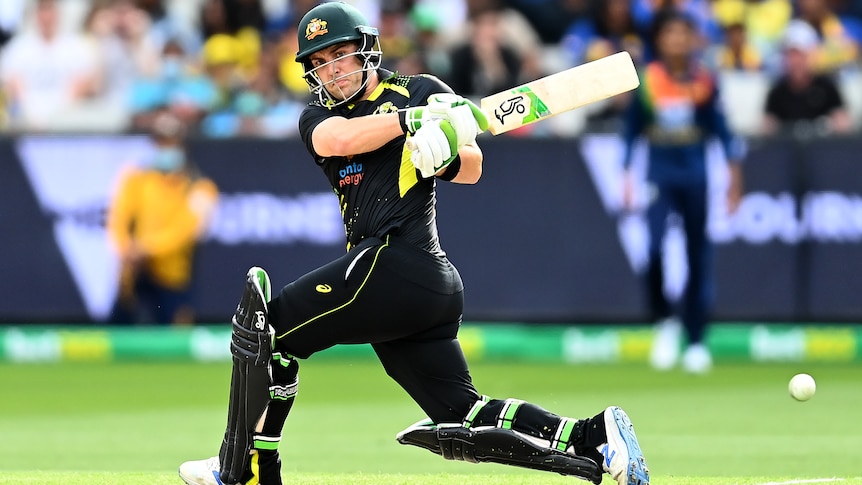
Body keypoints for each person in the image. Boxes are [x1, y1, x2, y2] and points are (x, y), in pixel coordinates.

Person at [177, 3, 650, 485]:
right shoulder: (321, 117)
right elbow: (339, 141)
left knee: (267, 329)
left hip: (398, 262)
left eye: (339, 54)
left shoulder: (419, 88)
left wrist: (441, 153)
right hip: (402, 286)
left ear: (365, 50)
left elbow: (473, 165)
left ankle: (246, 471)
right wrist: (413, 122)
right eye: (319, 62)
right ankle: (594, 437)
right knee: (463, 415)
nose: (331, 69)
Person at [621, 10, 745, 374]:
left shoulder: (705, 81)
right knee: (654, 248)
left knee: (697, 257)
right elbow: (631, 131)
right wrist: (627, 175)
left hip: (695, 175)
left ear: (692, 40)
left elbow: (722, 131)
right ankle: (664, 323)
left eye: (682, 34)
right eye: (669, 34)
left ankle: (695, 340)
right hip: (659, 176)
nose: (676, 41)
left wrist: (734, 180)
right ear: (660, 40)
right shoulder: (649, 81)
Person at [107, 112, 219, 325]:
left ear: (182, 145)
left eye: (169, 142)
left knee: (174, 339)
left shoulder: (200, 187)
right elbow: (118, 218)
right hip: (134, 272)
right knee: (117, 334)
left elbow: (185, 231)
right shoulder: (136, 177)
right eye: (159, 142)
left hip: (173, 276)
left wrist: (146, 249)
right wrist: (124, 249)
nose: (164, 148)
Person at [762, 20, 852, 136]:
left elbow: (843, 123)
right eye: (790, 55)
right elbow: (767, 129)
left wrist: (829, 125)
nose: (795, 62)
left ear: (811, 55)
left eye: (800, 55)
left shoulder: (827, 88)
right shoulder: (777, 92)